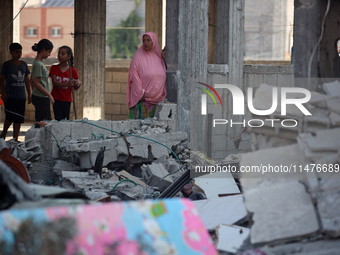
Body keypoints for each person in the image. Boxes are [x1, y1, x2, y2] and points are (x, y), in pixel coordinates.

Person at [126, 32, 167, 119]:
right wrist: (141, 93)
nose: (146, 43)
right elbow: (134, 77)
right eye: (144, 40)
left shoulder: (159, 58)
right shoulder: (138, 58)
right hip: (143, 102)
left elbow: (164, 75)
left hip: (157, 103)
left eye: (148, 40)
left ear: (154, 41)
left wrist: (165, 59)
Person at [0, 43, 31, 141]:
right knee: (9, 117)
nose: (19, 54)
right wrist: (3, 92)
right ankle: (3, 134)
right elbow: (1, 79)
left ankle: (15, 138)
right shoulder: (6, 65)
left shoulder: (24, 65)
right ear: (11, 52)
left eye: (20, 52)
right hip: (10, 96)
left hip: (21, 96)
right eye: (16, 52)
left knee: (19, 119)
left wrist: (29, 94)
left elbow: (27, 80)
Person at [49, 46, 81, 120]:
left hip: (67, 99)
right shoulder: (54, 68)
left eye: (63, 54)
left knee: (65, 119)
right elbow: (54, 83)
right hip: (56, 98)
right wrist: (67, 84)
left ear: (68, 56)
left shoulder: (73, 71)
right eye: (59, 54)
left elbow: (75, 87)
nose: (60, 55)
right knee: (58, 118)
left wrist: (78, 83)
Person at [31, 39, 54, 121]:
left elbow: (32, 80)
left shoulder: (39, 63)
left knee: (45, 120)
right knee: (42, 121)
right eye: (49, 51)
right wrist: (49, 94)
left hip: (42, 97)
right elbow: (36, 83)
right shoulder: (38, 64)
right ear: (43, 50)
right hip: (41, 97)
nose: (49, 54)